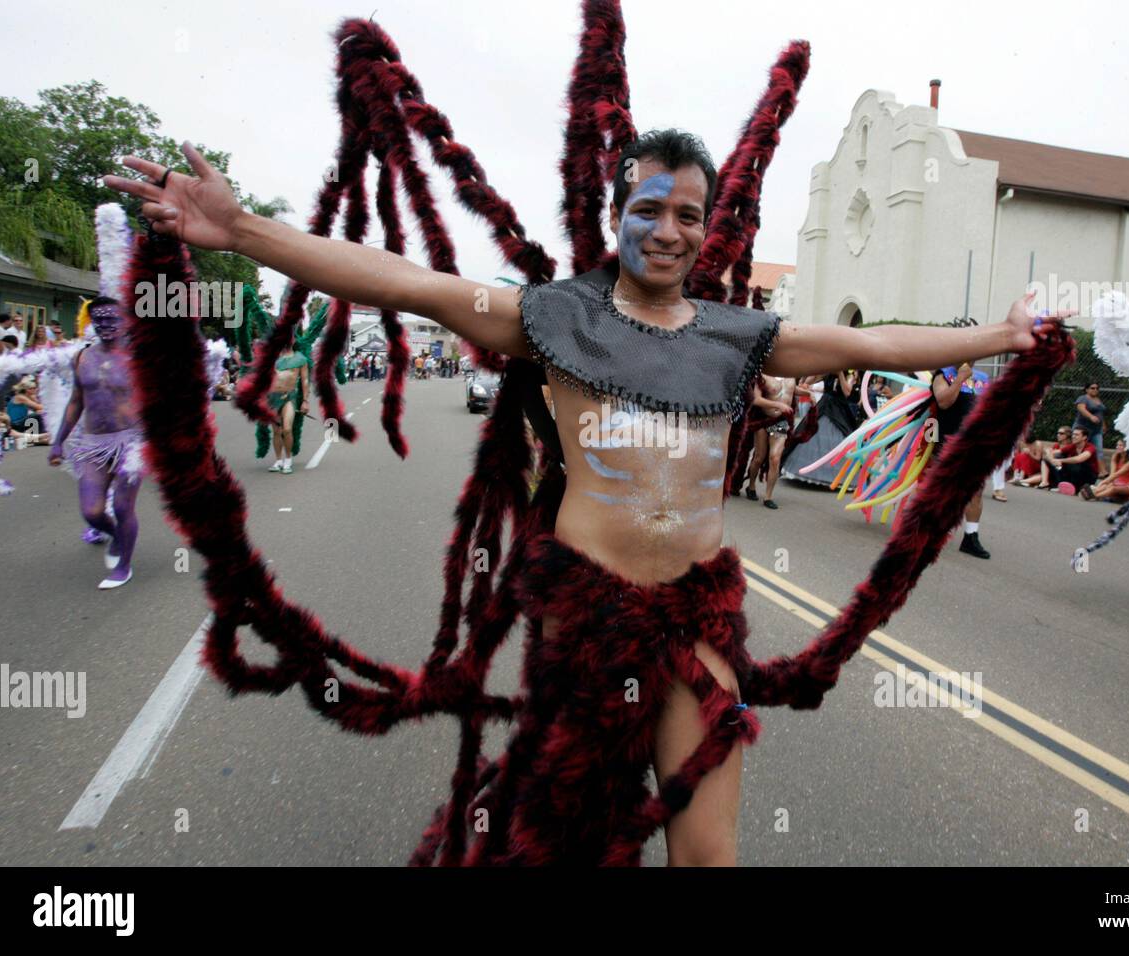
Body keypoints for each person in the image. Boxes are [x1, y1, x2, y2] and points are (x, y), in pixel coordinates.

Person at [109, 124, 1064, 864]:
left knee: (710, 850)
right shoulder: (553, 316)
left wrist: (995, 337)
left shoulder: (739, 337)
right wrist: (237, 230)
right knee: (569, 840)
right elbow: (406, 281)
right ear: (620, 216)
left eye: (690, 214)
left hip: (698, 620)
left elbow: (872, 347)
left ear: (706, 228)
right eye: (650, 208)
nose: (669, 229)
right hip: (586, 619)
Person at [48, 297, 144, 589]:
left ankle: (124, 566)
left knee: (123, 506)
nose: (105, 325)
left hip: (131, 443)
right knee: (91, 511)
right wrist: (57, 442)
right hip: (93, 444)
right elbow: (76, 402)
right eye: (99, 320)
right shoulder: (82, 357)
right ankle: (116, 535)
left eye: (111, 319)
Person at [931, 363, 991, 557]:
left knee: (976, 490)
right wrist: (960, 378)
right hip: (947, 441)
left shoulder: (983, 378)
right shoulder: (943, 374)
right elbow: (943, 402)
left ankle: (970, 537)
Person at [743, 374, 800, 509]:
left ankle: (768, 496)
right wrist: (777, 404)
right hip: (763, 419)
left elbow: (792, 390)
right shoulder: (763, 375)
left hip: (781, 421)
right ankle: (751, 485)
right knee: (759, 457)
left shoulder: (791, 374)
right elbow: (756, 399)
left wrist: (808, 393)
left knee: (774, 458)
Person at [266, 345, 310, 474]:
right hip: (272, 398)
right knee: (276, 431)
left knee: (287, 429)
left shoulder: (300, 359)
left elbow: (305, 380)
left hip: (289, 397)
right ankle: (278, 460)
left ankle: (288, 459)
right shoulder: (273, 357)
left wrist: (305, 401)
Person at [1073, 382, 1106, 453]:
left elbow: (1100, 413)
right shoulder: (1083, 398)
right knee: (1078, 450)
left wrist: (1103, 424)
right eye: (1092, 388)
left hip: (1096, 430)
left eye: (1097, 388)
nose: (1095, 390)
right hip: (1083, 430)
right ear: (1087, 389)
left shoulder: (1098, 399)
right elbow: (1081, 409)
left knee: (1098, 452)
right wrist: (1091, 417)